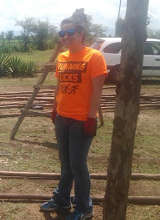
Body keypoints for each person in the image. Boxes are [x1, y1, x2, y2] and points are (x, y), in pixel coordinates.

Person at [39, 13, 107, 220]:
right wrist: (54, 107)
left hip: (81, 120)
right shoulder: (62, 57)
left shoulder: (94, 57)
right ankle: (62, 199)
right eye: (62, 33)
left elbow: (97, 91)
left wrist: (91, 118)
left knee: (78, 164)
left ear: (80, 33)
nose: (65, 37)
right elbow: (59, 86)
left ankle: (84, 207)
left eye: (69, 33)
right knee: (65, 162)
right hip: (62, 117)